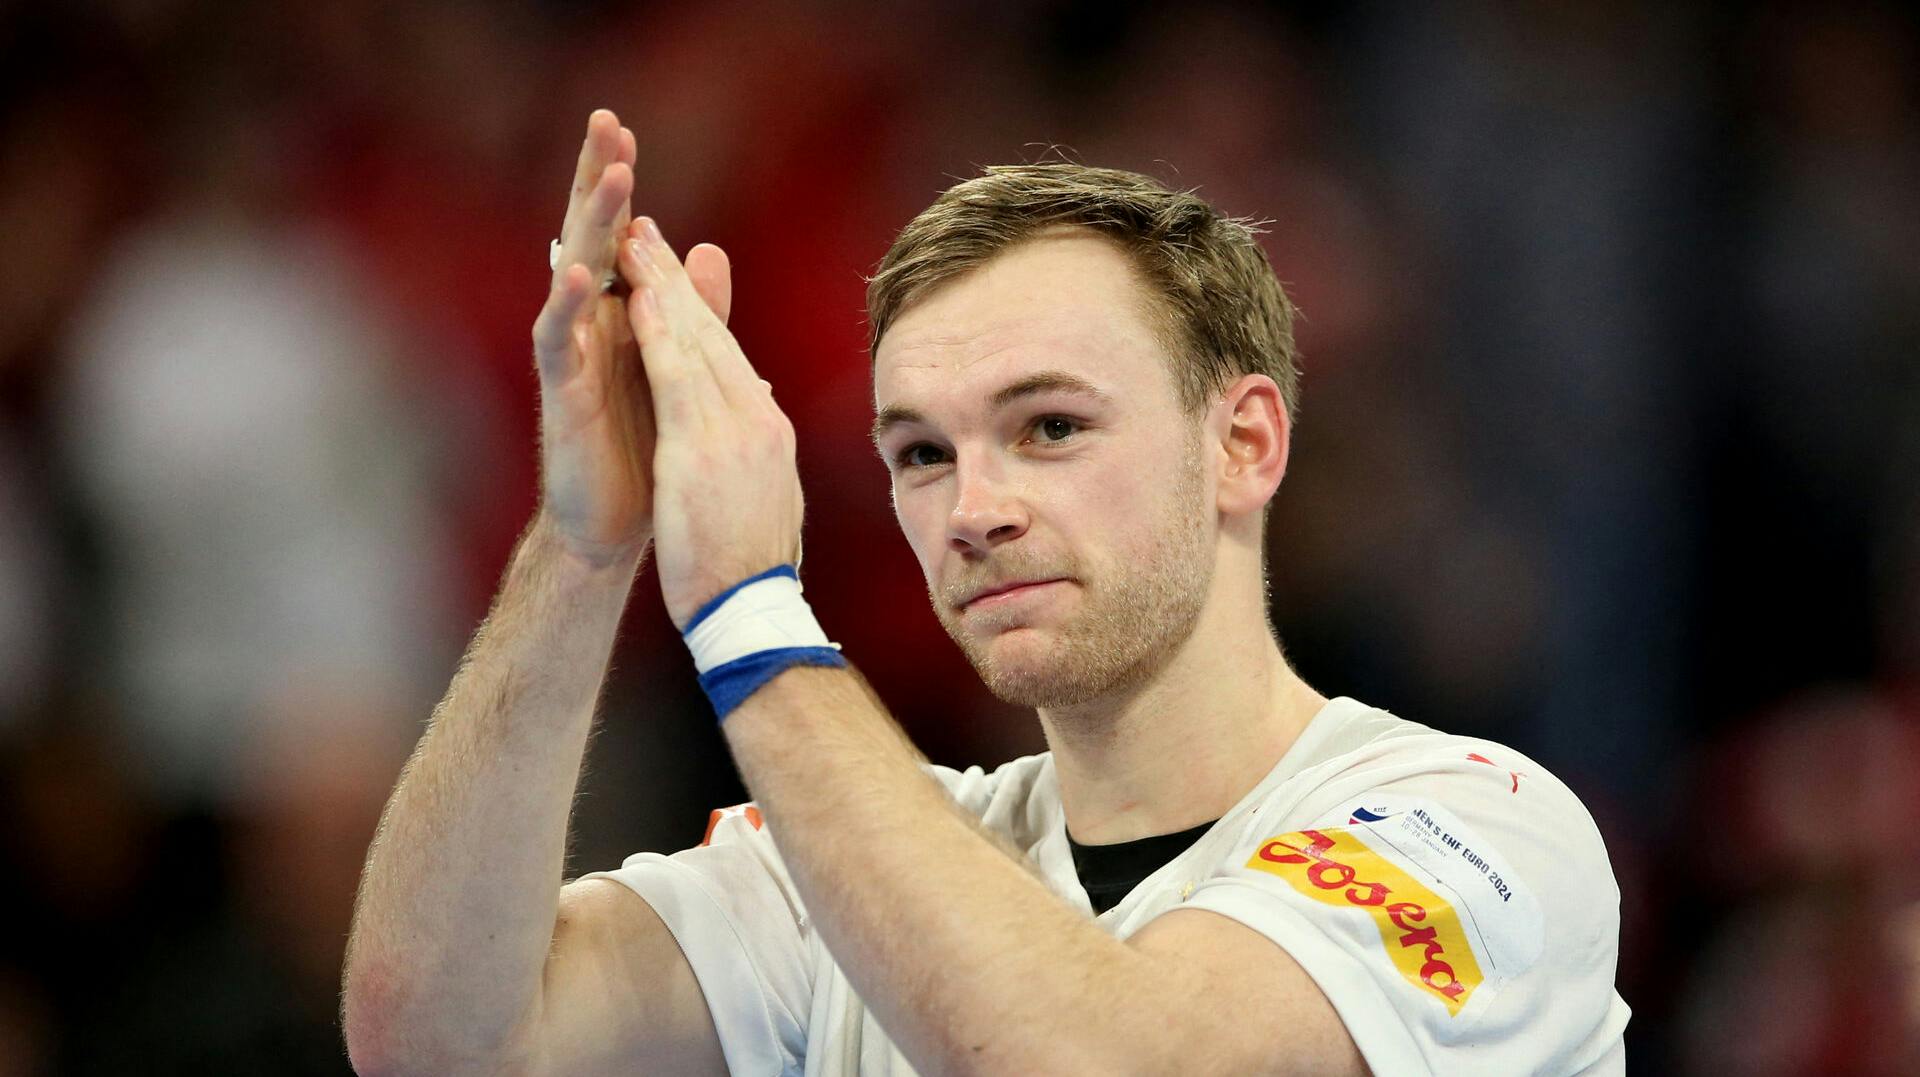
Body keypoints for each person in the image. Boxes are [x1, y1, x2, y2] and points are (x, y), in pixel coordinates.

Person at [341, 109, 1629, 1075]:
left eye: (1052, 427)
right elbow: (440, 1040)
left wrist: (750, 611)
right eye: (921, 454)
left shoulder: (1482, 832)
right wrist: (583, 550)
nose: (974, 511)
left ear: (1244, 445)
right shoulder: (839, 870)